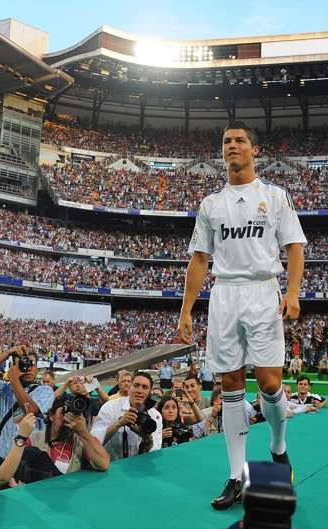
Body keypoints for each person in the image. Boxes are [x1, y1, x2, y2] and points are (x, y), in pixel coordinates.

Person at [178, 121, 307, 510]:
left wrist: (293, 292)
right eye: (226, 141)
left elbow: (295, 247)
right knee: (230, 384)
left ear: (255, 150)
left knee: (270, 383)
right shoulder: (210, 204)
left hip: (263, 291)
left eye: (239, 140)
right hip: (224, 295)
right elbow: (199, 259)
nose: (232, 145)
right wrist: (186, 309)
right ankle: (236, 476)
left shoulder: (275, 196)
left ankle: (278, 446)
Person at [0, 346, 53, 468]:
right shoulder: (3, 389)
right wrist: (7, 353)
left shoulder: (44, 391)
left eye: (32, 364)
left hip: (27, 462)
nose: (29, 368)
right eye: (24, 364)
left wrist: (14, 379)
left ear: (37, 369)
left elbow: (30, 411)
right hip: (1, 458)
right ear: (14, 366)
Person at [91, 372, 162, 462]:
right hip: (112, 466)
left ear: (149, 392)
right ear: (129, 388)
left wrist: (146, 438)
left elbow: (155, 452)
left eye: (145, 387)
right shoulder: (110, 407)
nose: (140, 391)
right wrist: (118, 424)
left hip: (141, 467)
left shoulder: (155, 416)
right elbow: (94, 443)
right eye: (136, 385)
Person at [28, 396, 109, 474]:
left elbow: (103, 464)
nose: (67, 418)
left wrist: (83, 433)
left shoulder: (83, 440)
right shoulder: (34, 440)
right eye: (63, 413)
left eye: (73, 414)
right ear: (51, 416)